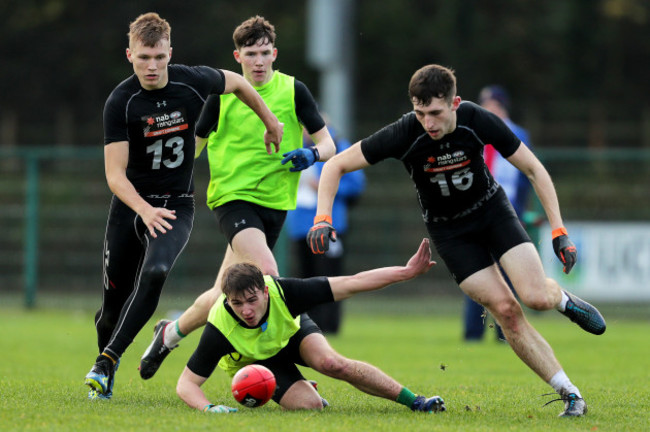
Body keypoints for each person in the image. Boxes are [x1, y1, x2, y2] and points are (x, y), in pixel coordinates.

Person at [307, 64, 607, 417]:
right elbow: (334, 166)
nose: (428, 123)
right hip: (450, 233)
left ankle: (561, 299)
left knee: (535, 297)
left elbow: (534, 168)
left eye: (435, 113)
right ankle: (570, 393)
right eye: (420, 113)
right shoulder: (406, 131)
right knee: (507, 311)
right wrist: (322, 218)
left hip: (493, 214)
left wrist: (559, 231)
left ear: (455, 103)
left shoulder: (476, 119)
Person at [83, 12, 283, 401]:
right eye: (144, 58)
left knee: (156, 271)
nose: (152, 66)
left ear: (170, 53)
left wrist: (270, 119)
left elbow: (239, 82)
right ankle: (105, 360)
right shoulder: (121, 102)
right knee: (112, 306)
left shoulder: (192, 82)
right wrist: (143, 209)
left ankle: (106, 363)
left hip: (176, 206)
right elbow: (115, 175)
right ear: (130, 55)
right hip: (131, 209)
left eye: (159, 57)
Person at [139, 16, 336, 380]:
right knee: (268, 278)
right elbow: (192, 147)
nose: (258, 61)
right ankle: (273, 364)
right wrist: (161, 184)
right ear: (237, 56)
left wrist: (312, 155)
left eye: (264, 53)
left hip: (276, 205)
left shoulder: (294, 91)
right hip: (233, 201)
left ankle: (169, 333)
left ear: (274, 53)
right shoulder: (222, 95)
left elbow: (328, 143)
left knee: (223, 293)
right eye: (250, 54)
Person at [176, 238, 446, 413]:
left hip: (291, 333)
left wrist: (406, 272)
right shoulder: (220, 327)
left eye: (251, 300)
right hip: (256, 361)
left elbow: (352, 282)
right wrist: (209, 408)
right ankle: (303, 388)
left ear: (265, 291)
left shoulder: (285, 291)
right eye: (237, 304)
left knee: (333, 363)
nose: (246, 310)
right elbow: (186, 384)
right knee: (310, 406)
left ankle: (417, 401)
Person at [463, 85, 532, 342]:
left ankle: (506, 332)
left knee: (509, 272)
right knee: (477, 272)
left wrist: (522, 211)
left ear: (500, 106)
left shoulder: (518, 134)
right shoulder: (472, 132)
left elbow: (527, 175)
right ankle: (473, 333)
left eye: (489, 103)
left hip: (506, 211)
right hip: (475, 210)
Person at [285, 126, 365, 334]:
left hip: (331, 224)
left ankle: (330, 326)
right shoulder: (291, 145)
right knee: (304, 279)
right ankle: (307, 327)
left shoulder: (337, 146)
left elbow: (355, 185)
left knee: (330, 276)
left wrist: (324, 185)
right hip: (299, 227)